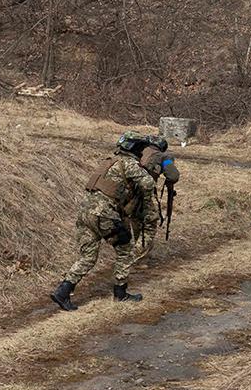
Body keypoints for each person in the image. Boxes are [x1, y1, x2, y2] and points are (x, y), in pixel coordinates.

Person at [50, 132, 173, 311]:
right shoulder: (129, 163)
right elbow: (147, 184)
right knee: (125, 250)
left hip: (85, 213)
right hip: (105, 215)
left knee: (88, 257)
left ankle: (63, 291)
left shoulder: (108, 161)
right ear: (136, 149)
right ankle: (120, 293)